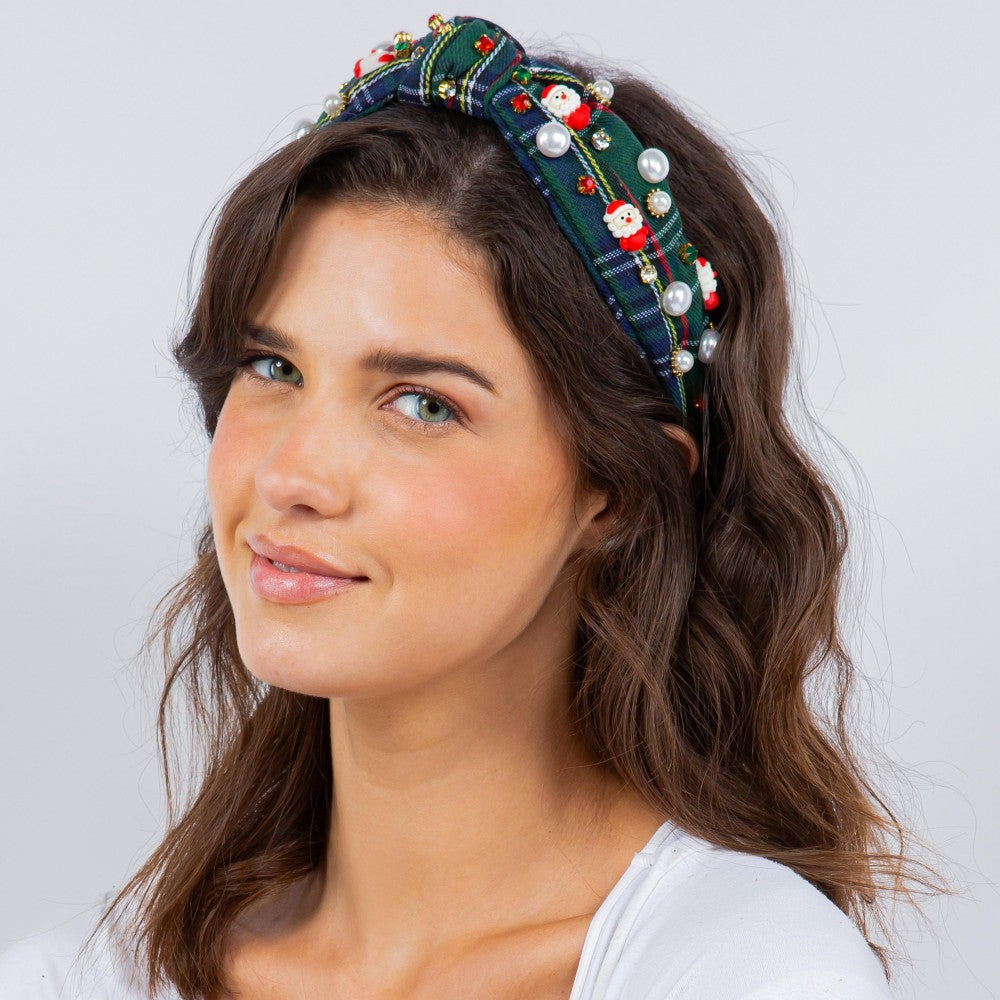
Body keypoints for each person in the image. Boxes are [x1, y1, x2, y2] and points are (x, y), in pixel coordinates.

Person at [0, 13, 947, 1000]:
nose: (291, 475)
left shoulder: (740, 970)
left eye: (422, 403)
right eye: (273, 367)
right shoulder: (75, 981)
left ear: (619, 493)